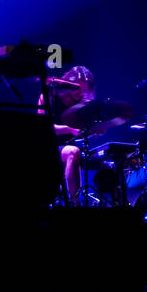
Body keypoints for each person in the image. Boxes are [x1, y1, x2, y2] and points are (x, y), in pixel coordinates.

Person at [49, 65, 96, 203]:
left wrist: (96, 129)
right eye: (77, 89)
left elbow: (83, 131)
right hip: (49, 146)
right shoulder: (49, 96)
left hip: (70, 146)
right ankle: (74, 204)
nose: (80, 94)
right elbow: (43, 127)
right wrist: (69, 129)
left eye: (84, 91)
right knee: (73, 152)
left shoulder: (83, 103)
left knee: (109, 161)